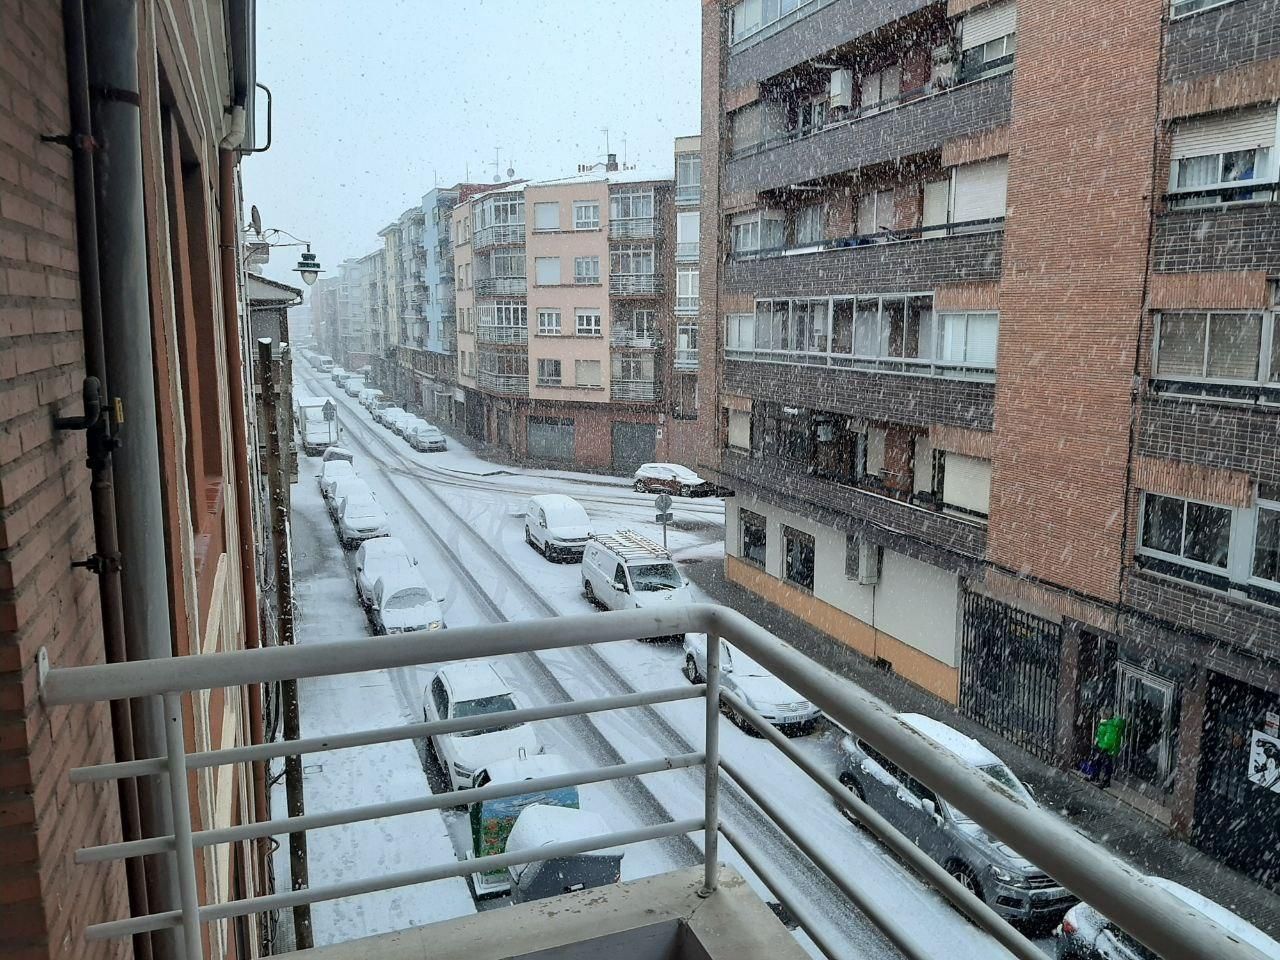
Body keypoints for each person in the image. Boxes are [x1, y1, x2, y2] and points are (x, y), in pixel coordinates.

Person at [1085, 709, 1126, 788]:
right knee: (1098, 761)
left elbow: (1110, 739)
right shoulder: (1106, 723)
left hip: (1107, 748)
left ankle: (1105, 781)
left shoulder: (1110, 725)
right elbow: (1102, 734)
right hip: (1103, 746)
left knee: (1106, 764)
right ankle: (1096, 776)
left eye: (1102, 713)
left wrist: (1103, 747)